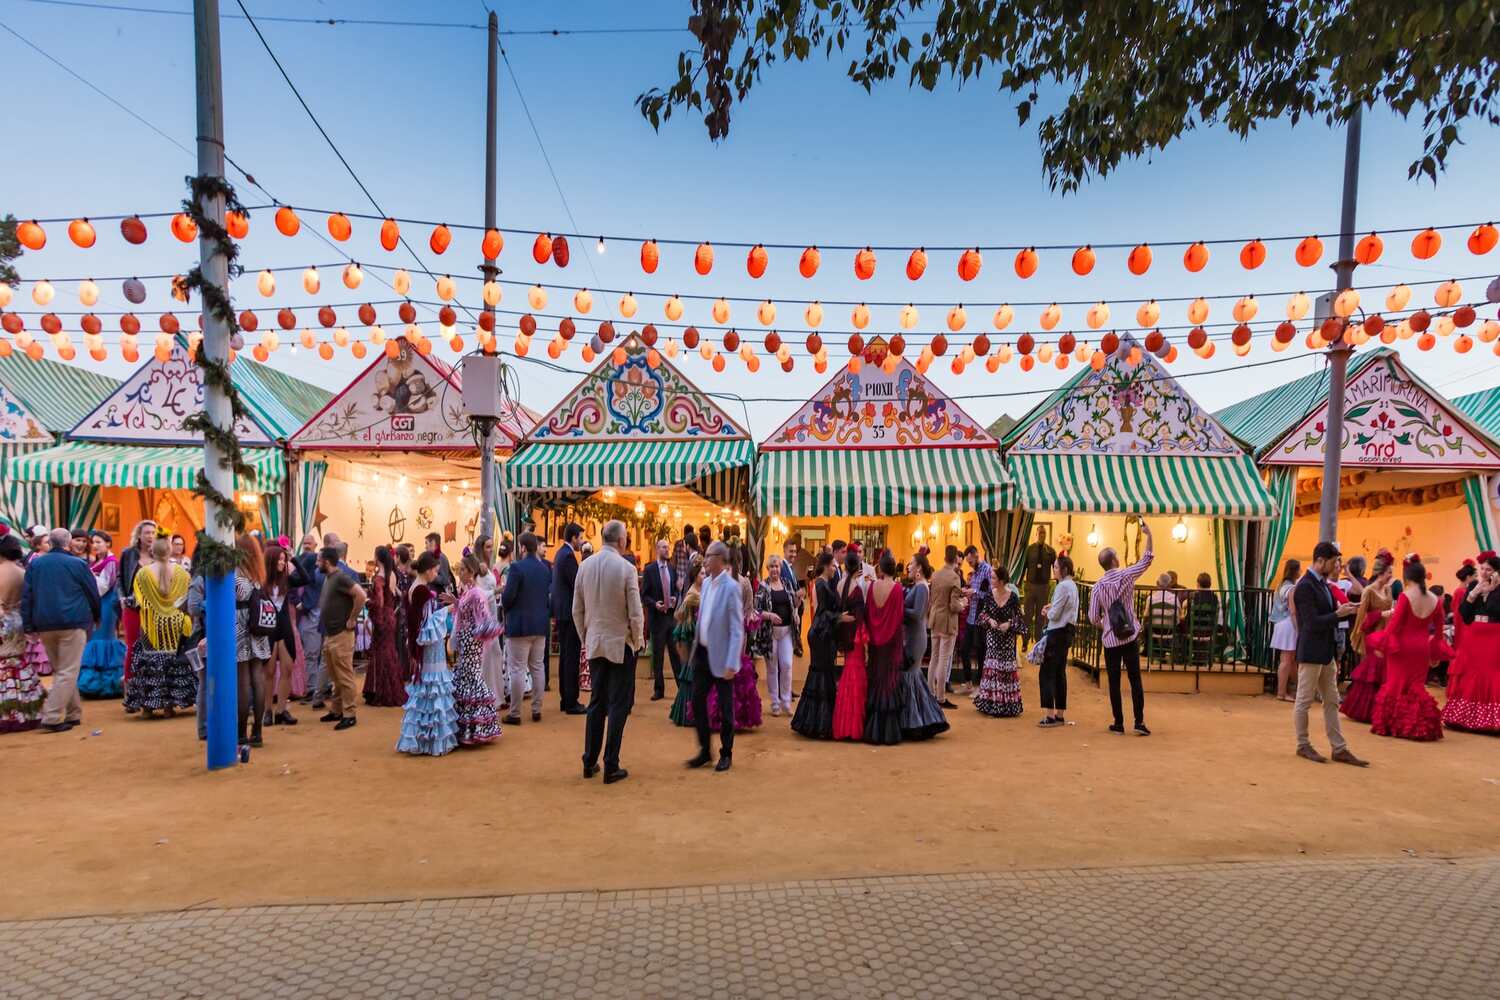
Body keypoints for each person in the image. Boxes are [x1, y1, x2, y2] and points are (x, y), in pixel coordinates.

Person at [574, 520, 643, 784]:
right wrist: (637, 642)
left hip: (595, 642)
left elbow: (576, 608)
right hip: (620, 644)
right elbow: (635, 613)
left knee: (596, 703)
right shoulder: (626, 568)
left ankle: (589, 760)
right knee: (618, 705)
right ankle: (611, 763)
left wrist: (586, 637)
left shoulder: (585, 566)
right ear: (622, 541)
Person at [1291, 541, 1366, 765]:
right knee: (1304, 701)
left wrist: (1343, 611)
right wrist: (1338, 614)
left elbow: (1322, 616)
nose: (1336, 567)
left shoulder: (1321, 584)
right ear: (1320, 560)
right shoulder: (1306, 586)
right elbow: (1311, 622)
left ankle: (1338, 747)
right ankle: (1303, 744)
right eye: (1334, 562)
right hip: (1313, 650)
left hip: (1324, 651)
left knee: (1331, 700)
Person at [26, 527, 101, 732]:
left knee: (63, 670)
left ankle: (74, 713)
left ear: (50, 543)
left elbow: (28, 595)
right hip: (72, 622)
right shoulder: (78, 564)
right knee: (68, 671)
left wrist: (28, 624)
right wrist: (97, 616)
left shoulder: (36, 564)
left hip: (45, 624)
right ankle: (51, 715)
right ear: (68, 543)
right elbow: (92, 592)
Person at [1086, 519, 1154, 736]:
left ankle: (1118, 722)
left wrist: (1105, 625)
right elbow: (1147, 559)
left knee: (1114, 682)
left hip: (1111, 639)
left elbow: (1092, 616)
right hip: (1130, 635)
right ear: (1115, 560)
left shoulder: (1098, 587)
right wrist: (1148, 534)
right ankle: (1139, 721)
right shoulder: (1127, 574)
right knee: (1135, 679)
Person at [1366, 558, 1444, 742]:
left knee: (1396, 684)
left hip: (1402, 647)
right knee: (1416, 685)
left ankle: (1393, 725)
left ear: (1408, 577)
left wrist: (1381, 645)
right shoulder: (1435, 599)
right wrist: (1435, 653)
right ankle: (1419, 725)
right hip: (1422, 647)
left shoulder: (1406, 596)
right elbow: (1439, 632)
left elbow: (1394, 624)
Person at [686, 540, 744, 772]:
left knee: (725, 707)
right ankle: (704, 750)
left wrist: (732, 661)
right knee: (697, 701)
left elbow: (737, 628)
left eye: (709, 556)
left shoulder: (731, 587)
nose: (705, 559)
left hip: (722, 656)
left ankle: (726, 753)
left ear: (720, 559)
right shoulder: (707, 584)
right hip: (703, 652)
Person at [124, 536, 195, 717]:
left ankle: (148, 707)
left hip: (151, 624)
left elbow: (136, 600)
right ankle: (169, 706)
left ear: (152, 552)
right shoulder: (181, 573)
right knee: (173, 662)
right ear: (170, 550)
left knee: (151, 663)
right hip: (176, 624)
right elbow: (187, 598)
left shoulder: (143, 574)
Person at [397, 552, 458, 756]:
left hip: (422, 644)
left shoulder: (414, 587)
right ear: (429, 570)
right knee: (434, 687)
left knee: (426, 687)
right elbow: (426, 623)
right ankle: (432, 739)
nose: (437, 574)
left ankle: (424, 737)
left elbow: (417, 622)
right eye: (435, 570)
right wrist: (447, 610)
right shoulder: (422, 590)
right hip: (430, 644)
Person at [1442, 552, 1500, 733]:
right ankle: (1465, 719)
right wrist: (1473, 594)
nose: (1483, 572)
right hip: (1474, 635)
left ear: (1497, 572)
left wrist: (1490, 592)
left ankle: (1491, 721)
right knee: (1470, 673)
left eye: (1488, 569)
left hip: (1494, 636)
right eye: (1482, 568)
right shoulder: (1474, 585)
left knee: (1490, 673)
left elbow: (1496, 611)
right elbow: (1465, 614)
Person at [450, 554, 502, 746]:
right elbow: (466, 612)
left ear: (470, 572)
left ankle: (476, 727)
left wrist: (474, 634)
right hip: (467, 640)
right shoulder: (468, 592)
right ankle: (469, 728)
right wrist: (456, 602)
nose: (460, 573)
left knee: (472, 677)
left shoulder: (476, 593)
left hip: (472, 641)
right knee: (466, 676)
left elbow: (481, 618)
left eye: (462, 570)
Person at [896, 554, 948, 740]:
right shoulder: (919, 586)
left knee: (910, 678)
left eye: (911, 564)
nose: (908, 567)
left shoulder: (921, 588)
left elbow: (917, 614)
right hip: (912, 637)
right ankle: (920, 720)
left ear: (918, 569)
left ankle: (915, 723)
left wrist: (897, 607)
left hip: (915, 639)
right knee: (913, 678)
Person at [501, 531, 551, 725]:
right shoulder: (545, 569)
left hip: (519, 624)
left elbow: (507, 598)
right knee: (538, 667)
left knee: (518, 669)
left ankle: (515, 713)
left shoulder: (516, 568)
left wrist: (506, 605)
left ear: (522, 547)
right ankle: (537, 709)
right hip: (540, 624)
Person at [791, 553, 842, 740]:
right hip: (821, 634)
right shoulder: (820, 584)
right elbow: (822, 613)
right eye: (833, 566)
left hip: (823, 634)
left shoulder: (823, 583)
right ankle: (816, 723)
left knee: (821, 675)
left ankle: (816, 722)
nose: (835, 569)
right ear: (827, 566)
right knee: (821, 675)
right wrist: (839, 617)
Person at [1340, 553, 1395, 724]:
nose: (1391, 576)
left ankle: (1381, 710)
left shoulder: (1388, 590)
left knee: (1384, 672)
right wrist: (1382, 614)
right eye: (1389, 573)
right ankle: (1365, 710)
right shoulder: (1368, 591)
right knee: (1373, 672)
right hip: (1372, 637)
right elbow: (1362, 619)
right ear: (1381, 573)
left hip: (1385, 635)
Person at [316, 545, 366, 731]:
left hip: (341, 635)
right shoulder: (330, 578)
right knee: (336, 676)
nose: (317, 563)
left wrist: (352, 618)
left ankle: (350, 713)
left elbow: (361, 595)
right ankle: (337, 710)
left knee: (344, 676)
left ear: (326, 562)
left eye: (319, 560)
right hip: (331, 634)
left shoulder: (340, 578)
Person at [233, 534, 274, 747]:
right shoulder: (257, 574)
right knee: (258, 678)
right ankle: (257, 732)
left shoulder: (236, 575)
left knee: (242, 681)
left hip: (239, 626)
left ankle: (240, 733)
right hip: (257, 626)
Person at [861, 552, 907, 745]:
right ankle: (888, 731)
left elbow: (868, 613)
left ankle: (871, 728)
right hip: (891, 645)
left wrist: (873, 635)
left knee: (876, 680)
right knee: (889, 683)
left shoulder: (872, 587)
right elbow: (899, 618)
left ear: (880, 568)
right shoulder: (897, 588)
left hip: (875, 643)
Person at [0, 535, 44, 733]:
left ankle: (7, 712)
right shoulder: (22, 572)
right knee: (17, 662)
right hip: (18, 621)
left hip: (2, 621)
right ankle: (25, 710)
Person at [260, 542, 307, 726]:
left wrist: (293, 556)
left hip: (285, 628)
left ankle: (281, 711)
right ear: (271, 561)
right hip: (268, 630)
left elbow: (305, 578)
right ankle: (267, 711)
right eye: (279, 559)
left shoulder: (287, 579)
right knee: (268, 672)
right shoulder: (261, 582)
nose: (282, 562)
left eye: (283, 559)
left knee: (287, 669)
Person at [974, 565, 1026, 718]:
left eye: (994, 578)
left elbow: (1019, 619)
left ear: (1002, 581)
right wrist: (989, 620)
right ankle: (991, 702)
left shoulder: (1013, 597)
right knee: (993, 669)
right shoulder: (990, 595)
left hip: (1007, 641)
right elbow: (982, 615)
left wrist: (1009, 624)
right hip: (992, 639)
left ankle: (1007, 704)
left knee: (1005, 670)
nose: (991, 580)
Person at [79, 530, 126, 699]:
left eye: (99, 542)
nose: (95, 545)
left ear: (108, 543)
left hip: (106, 604)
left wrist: (88, 577)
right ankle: (93, 683)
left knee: (104, 638)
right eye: (94, 542)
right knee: (94, 639)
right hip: (95, 605)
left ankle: (110, 684)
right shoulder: (95, 563)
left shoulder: (112, 562)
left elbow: (102, 587)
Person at [756, 553, 799, 717]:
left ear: (780, 568)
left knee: (787, 665)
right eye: (772, 566)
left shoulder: (787, 583)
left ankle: (786, 702)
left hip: (787, 631)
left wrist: (798, 601)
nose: (774, 569)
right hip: (770, 633)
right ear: (768, 569)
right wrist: (769, 615)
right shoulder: (763, 586)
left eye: (777, 566)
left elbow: (793, 603)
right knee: (772, 667)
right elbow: (756, 610)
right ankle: (775, 702)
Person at [362, 545, 406, 708]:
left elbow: (379, 601)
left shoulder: (379, 577)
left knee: (381, 652)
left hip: (382, 617)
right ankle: (391, 689)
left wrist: (368, 602)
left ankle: (381, 691)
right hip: (390, 616)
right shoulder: (392, 574)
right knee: (388, 651)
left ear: (377, 557)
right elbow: (396, 595)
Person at [832, 550, 869, 741]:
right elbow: (861, 617)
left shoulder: (839, 584)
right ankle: (853, 725)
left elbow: (837, 611)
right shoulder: (857, 588)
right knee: (855, 678)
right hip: (854, 636)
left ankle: (843, 722)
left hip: (843, 636)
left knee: (847, 675)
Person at [1037, 555, 1078, 727]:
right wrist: (1051, 607)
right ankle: (1060, 714)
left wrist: (1048, 612)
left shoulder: (1062, 586)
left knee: (1046, 673)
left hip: (1057, 632)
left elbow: (1055, 614)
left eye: (1055, 566)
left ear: (1064, 569)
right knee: (1060, 673)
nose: (1053, 569)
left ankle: (1050, 715)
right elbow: (1064, 608)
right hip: (1067, 631)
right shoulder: (1073, 586)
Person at [641, 538, 682, 702]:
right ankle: (659, 689)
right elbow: (644, 595)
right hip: (657, 618)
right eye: (664, 547)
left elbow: (676, 591)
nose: (667, 549)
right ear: (657, 549)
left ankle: (682, 688)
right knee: (658, 656)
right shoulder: (649, 570)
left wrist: (674, 598)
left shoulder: (672, 569)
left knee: (675, 654)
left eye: (668, 547)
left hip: (670, 618)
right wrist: (654, 604)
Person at [118, 519, 158, 689]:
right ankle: (130, 688)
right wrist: (121, 597)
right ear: (139, 535)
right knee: (133, 647)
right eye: (147, 532)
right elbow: (120, 578)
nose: (150, 536)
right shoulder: (128, 554)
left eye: (153, 533)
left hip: (156, 608)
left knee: (154, 648)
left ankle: (150, 688)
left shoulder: (160, 554)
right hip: (132, 607)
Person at [553, 522, 586, 715]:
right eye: (580, 538)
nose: (581, 541)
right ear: (573, 537)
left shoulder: (561, 554)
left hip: (562, 611)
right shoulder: (567, 556)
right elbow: (577, 583)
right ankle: (571, 700)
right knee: (570, 657)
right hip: (568, 612)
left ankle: (566, 698)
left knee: (566, 656)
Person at [925, 545, 964, 709]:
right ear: (956, 559)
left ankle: (930, 693)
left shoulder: (936, 574)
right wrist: (963, 603)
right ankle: (940, 697)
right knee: (943, 659)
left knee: (934, 658)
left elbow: (933, 598)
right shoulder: (954, 577)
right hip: (947, 621)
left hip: (935, 619)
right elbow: (954, 606)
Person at [670, 561, 704, 727]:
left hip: (699, 636)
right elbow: (679, 614)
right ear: (695, 577)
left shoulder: (703, 591)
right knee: (690, 673)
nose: (705, 576)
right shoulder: (692, 593)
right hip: (691, 637)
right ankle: (686, 714)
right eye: (702, 574)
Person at [956, 546, 991, 692]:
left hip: (981, 617)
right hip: (971, 617)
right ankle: (969, 682)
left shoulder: (987, 570)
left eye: (970, 561)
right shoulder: (975, 572)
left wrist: (974, 592)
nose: (969, 564)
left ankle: (981, 686)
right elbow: (976, 589)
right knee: (964, 649)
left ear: (975, 555)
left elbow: (990, 593)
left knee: (981, 651)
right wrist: (967, 590)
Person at [1269, 559, 1301, 701]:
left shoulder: (1280, 586)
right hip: (1288, 623)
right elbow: (1293, 611)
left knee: (1288, 660)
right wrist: (1298, 628)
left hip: (1280, 623)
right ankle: (1282, 692)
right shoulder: (1292, 589)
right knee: (1287, 660)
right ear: (1296, 571)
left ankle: (1297, 688)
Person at [1021, 526, 1056, 647]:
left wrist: (1059, 583)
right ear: (1036, 534)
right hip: (1030, 586)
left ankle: (1038, 641)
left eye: (1044, 533)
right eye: (1040, 533)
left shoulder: (1050, 551)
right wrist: (1019, 583)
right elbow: (1023, 566)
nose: (1042, 535)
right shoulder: (1029, 550)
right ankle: (1025, 641)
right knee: (1027, 615)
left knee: (1041, 616)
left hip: (1043, 587)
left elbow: (1056, 568)